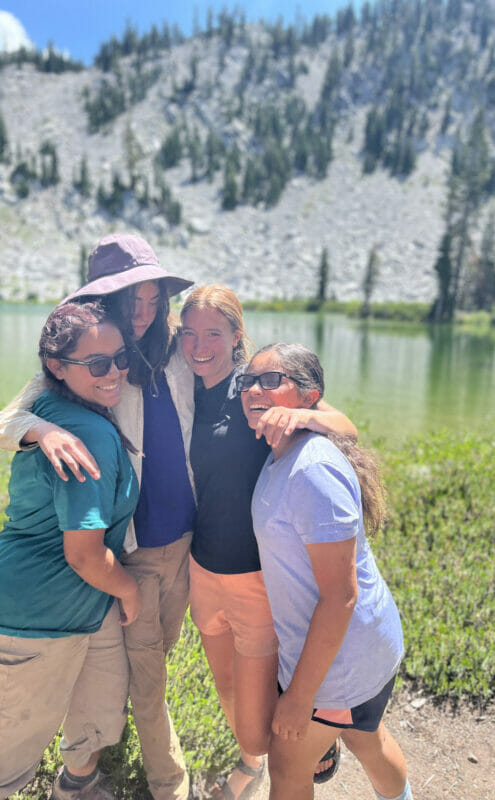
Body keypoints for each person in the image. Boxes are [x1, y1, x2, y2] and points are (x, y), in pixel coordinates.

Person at [0, 234, 196, 800]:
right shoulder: (90, 354)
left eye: (154, 300)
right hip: (128, 543)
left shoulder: (170, 349)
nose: (146, 314)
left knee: (145, 657)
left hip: (186, 538)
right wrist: (43, 429)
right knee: (143, 667)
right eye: (134, 302)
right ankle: (166, 782)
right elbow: (0, 423)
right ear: (106, 302)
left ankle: (96, 755)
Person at [178, 286, 358, 799]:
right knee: (228, 690)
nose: (198, 345)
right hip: (202, 569)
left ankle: (316, 742)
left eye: (213, 333)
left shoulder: (258, 386)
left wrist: (304, 417)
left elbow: (345, 428)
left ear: (237, 336)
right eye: (188, 333)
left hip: (256, 578)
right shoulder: (184, 385)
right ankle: (250, 763)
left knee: (258, 715)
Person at [0, 301, 141, 800]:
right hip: (31, 616)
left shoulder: (62, 408)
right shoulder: (86, 432)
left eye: (121, 359)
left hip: (76, 606)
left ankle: (77, 786)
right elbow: (84, 554)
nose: (114, 373)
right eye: (98, 364)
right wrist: (130, 590)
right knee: (4, 756)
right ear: (57, 367)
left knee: (99, 704)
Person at [240, 342, 413, 800]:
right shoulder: (283, 450)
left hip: (341, 661)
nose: (254, 389)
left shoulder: (311, 468)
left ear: (309, 396)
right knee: (364, 738)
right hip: (359, 648)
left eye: (271, 380)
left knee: (287, 762)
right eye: (248, 381)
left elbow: (340, 596)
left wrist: (299, 699)